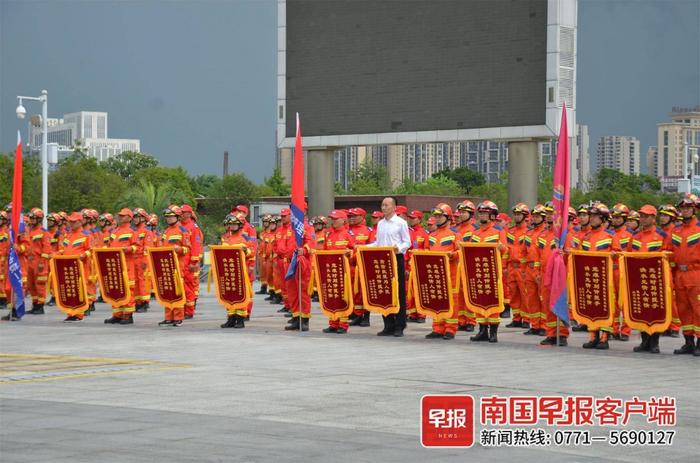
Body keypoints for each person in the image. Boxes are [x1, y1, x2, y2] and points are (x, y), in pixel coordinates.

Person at [370, 197, 411, 337]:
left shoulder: (401, 223)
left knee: (398, 292)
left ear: (394, 207)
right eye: (382, 205)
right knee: (384, 292)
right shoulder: (380, 224)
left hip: (396, 258)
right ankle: (388, 324)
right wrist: (363, 247)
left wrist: (397, 249)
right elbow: (378, 243)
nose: (384, 207)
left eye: (387, 205)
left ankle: (399, 325)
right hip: (382, 259)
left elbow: (407, 242)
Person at [467, 201, 508, 343]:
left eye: (486, 213)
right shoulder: (475, 232)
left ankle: (493, 332)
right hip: (479, 272)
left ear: (492, 215)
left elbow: (505, 250)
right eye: (481, 212)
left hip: (493, 272)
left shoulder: (498, 231)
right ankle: (482, 330)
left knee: (493, 301)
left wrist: (501, 247)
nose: (483, 215)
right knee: (479, 301)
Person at [629, 205, 668, 353]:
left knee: (656, 310)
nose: (643, 219)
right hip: (639, 278)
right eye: (641, 216)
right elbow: (628, 255)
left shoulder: (662, 235)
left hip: (655, 279)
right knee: (641, 309)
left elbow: (667, 253)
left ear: (653, 218)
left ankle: (654, 342)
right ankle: (644, 341)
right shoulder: (635, 236)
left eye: (646, 216)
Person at [581, 203, 618, 350]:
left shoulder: (610, 236)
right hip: (590, 277)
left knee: (607, 307)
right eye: (592, 216)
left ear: (603, 219)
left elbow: (617, 253)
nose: (592, 219)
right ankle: (592, 337)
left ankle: (604, 338)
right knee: (591, 307)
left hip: (605, 278)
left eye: (596, 216)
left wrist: (613, 255)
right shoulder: (587, 236)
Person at [669, 194, 700, 356]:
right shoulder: (676, 230)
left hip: (696, 274)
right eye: (683, 208)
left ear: (694, 209)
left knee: (698, 309)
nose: (685, 210)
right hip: (680, 274)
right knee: (683, 309)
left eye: (688, 208)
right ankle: (688, 342)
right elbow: (669, 253)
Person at [424, 203, 460, 340]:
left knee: (451, 301)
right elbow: (427, 250)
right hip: (435, 273)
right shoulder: (432, 235)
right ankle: (437, 328)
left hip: (451, 273)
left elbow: (461, 252)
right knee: (436, 299)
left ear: (448, 217)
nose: (437, 219)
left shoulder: (455, 234)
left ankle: (450, 329)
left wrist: (453, 255)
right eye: (436, 216)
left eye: (440, 216)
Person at [319, 210, 355, 334]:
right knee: (331, 297)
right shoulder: (328, 234)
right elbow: (323, 251)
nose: (333, 221)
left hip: (344, 272)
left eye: (335, 219)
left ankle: (343, 324)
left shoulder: (347, 234)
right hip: (331, 271)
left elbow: (354, 251)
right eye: (332, 219)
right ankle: (333, 323)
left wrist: (349, 254)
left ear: (343, 220)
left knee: (343, 298)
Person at [104, 208, 139, 325]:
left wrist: (128, 249)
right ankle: (117, 314)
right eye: (120, 215)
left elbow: (137, 247)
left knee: (128, 290)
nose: (120, 217)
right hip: (115, 266)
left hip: (127, 266)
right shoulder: (114, 231)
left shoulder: (132, 231)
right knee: (116, 289)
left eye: (123, 216)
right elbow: (109, 246)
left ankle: (128, 315)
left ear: (129, 218)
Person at [157, 205, 191, 327]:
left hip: (178, 266)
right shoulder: (166, 231)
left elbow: (187, 249)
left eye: (171, 217)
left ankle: (178, 317)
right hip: (166, 266)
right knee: (167, 290)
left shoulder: (183, 231)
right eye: (167, 217)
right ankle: (168, 317)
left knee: (177, 292)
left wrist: (179, 249)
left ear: (177, 217)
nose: (169, 219)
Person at [57, 212, 93, 322]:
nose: (71, 223)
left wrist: (83, 256)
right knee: (69, 290)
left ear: (80, 222)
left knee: (79, 289)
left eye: (74, 221)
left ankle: (78, 314)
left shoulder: (86, 235)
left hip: (80, 267)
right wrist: (57, 255)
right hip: (67, 267)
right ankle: (71, 313)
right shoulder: (67, 235)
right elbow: (63, 249)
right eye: (70, 221)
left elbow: (91, 250)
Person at [220, 214, 254, 328]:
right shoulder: (226, 239)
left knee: (240, 294)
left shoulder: (246, 238)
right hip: (228, 271)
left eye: (235, 224)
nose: (232, 226)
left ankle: (240, 319)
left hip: (240, 271)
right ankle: (230, 318)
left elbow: (252, 253)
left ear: (240, 225)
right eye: (231, 224)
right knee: (229, 294)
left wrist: (246, 251)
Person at [348, 208, 373, 326]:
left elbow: (372, 247)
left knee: (365, 292)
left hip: (362, 266)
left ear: (362, 217)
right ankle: (357, 314)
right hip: (350, 266)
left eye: (354, 216)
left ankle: (366, 317)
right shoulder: (346, 230)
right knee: (353, 292)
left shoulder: (368, 231)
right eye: (350, 216)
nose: (351, 218)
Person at [25, 208, 52, 315]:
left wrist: (42, 262)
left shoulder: (43, 233)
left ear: (39, 219)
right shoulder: (29, 231)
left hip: (40, 262)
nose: (31, 220)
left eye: (33, 218)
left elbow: (46, 248)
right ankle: (35, 305)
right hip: (30, 262)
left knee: (39, 284)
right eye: (30, 218)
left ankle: (40, 306)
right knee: (31, 284)